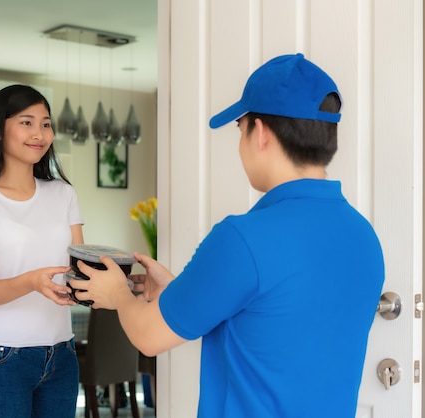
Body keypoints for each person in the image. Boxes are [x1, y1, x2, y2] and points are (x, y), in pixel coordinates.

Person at [69, 53, 385, 417]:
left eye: (240, 129)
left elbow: (149, 336)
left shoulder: (243, 238)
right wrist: (178, 291)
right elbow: (272, 320)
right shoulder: (363, 237)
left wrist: (118, 294)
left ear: (261, 132)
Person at [0, 84, 83, 418]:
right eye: (27, 122)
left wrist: (121, 282)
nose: (39, 133)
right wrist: (31, 281)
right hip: (0, 359)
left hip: (61, 355)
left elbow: (79, 271)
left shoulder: (63, 194)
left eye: (45, 123)